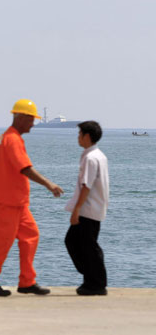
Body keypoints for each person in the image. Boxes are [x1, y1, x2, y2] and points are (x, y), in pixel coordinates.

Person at [0, 99, 64, 297]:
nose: (33, 124)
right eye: (30, 119)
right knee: (0, 244)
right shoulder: (12, 140)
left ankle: (27, 282)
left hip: (17, 203)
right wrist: (49, 184)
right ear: (20, 117)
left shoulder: (9, 138)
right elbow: (25, 168)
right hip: (7, 203)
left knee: (30, 236)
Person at [65, 121, 109, 296]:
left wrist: (76, 210)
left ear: (87, 136)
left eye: (80, 134)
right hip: (94, 207)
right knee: (79, 243)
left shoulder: (90, 158)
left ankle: (96, 282)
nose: (78, 137)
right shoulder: (98, 155)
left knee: (86, 245)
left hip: (88, 209)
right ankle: (92, 279)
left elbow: (86, 186)